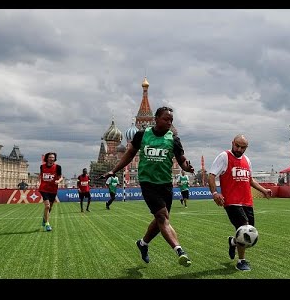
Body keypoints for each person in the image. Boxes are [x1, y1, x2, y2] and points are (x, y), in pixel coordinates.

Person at [101, 106, 194, 267]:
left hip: (165, 184)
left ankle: (143, 244)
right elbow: (129, 154)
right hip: (148, 183)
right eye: (166, 119)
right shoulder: (142, 135)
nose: (169, 122)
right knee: (162, 217)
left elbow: (181, 160)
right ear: (156, 119)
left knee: (161, 220)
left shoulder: (174, 139)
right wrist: (113, 170)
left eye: (171, 120)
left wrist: (187, 167)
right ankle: (179, 251)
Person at [208, 134, 272, 271]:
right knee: (244, 228)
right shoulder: (224, 156)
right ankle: (241, 261)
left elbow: (250, 179)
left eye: (243, 147)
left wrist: (264, 190)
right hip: (231, 201)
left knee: (248, 232)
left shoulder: (247, 160)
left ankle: (233, 242)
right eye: (237, 145)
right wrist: (215, 193)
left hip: (247, 201)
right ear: (232, 143)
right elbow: (212, 175)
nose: (239, 149)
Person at [38, 152, 63, 232]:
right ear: (47, 158)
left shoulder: (58, 167)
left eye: (53, 157)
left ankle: (44, 219)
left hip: (53, 189)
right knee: (47, 206)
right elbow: (40, 175)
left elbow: (61, 177)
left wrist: (58, 181)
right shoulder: (42, 167)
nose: (51, 159)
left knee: (50, 207)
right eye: (50, 157)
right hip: (44, 189)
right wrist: (38, 182)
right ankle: (47, 224)